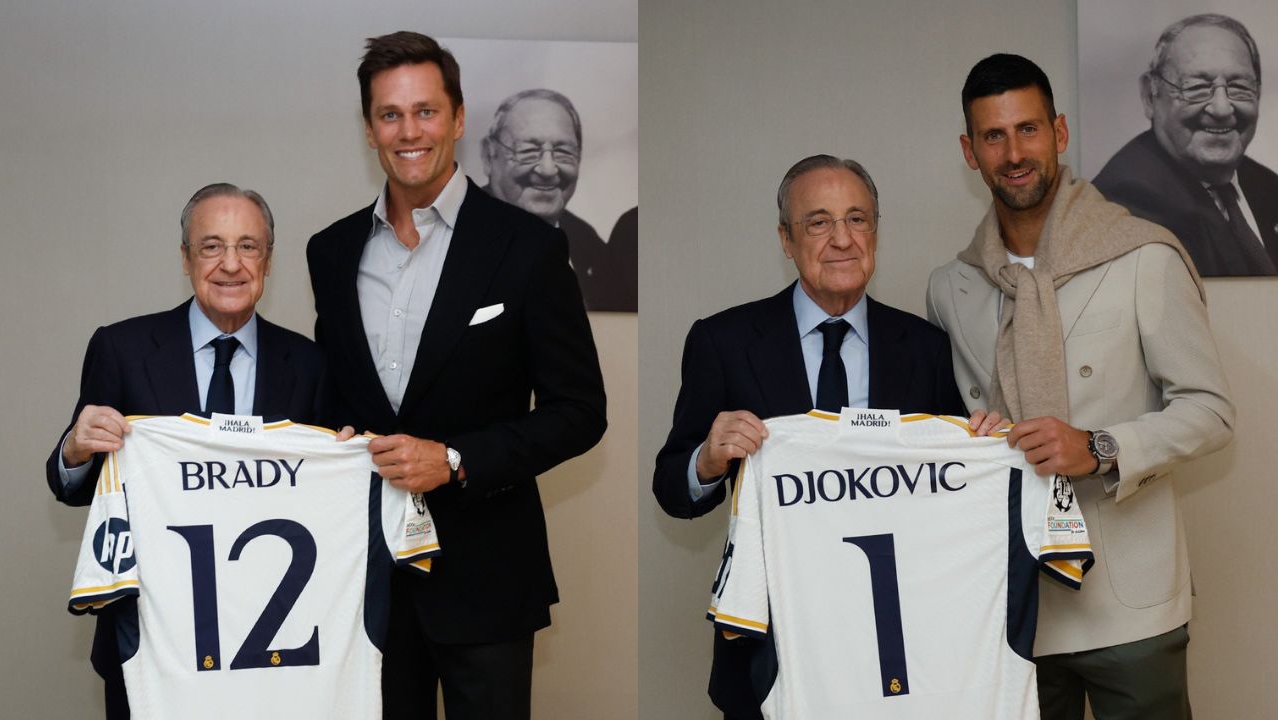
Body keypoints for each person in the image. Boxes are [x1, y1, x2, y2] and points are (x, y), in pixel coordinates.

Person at [306, 32, 606, 720]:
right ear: (369, 128)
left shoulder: (528, 247)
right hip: (366, 577)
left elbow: (579, 409)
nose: (409, 131)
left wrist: (456, 460)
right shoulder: (330, 251)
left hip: (489, 576)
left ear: (459, 118)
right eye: (390, 114)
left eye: (425, 111)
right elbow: (335, 393)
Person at [928, 54, 1234, 719]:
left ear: (1059, 133)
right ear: (969, 151)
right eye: (993, 136)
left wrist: (1097, 446)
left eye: (1028, 130)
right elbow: (956, 434)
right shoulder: (952, 289)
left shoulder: (1143, 256)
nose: (1014, 152)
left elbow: (1211, 412)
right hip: (1015, 600)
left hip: (1131, 604)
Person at [654, 154, 967, 719]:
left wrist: (981, 443)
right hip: (772, 643)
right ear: (786, 239)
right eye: (818, 222)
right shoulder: (723, 341)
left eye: (857, 219)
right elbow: (670, 486)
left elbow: (956, 496)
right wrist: (706, 459)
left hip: (901, 646)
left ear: (876, 231)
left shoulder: (925, 348)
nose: (841, 239)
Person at [46, 183, 328, 719]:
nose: (230, 265)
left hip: (274, 648)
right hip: (150, 642)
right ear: (185, 258)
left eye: (248, 246)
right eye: (211, 246)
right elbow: (68, 484)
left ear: (268, 261)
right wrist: (77, 449)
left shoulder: (310, 364)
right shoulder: (123, 349)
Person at [1093, 13, 1278, 276]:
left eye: (1239, 86)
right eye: (1196, 87)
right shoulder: (1128, 202)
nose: (1222, 108)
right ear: (1150, 96)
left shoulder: (1265, 185)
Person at [481, 88, 635, 311]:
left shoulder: (589, 245)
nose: (548, 169)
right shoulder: (461, 232)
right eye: (528, 150)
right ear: (488, 155)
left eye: (563, 152)